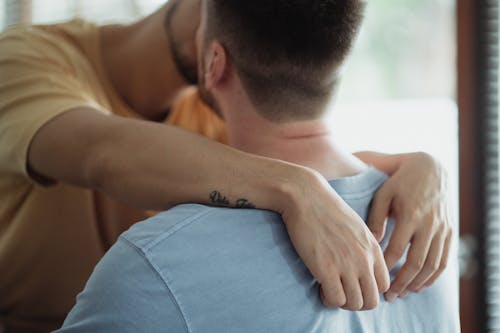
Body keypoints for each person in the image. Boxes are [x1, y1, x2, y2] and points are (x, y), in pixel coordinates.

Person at [0, 0, 452, 331]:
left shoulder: (219, 110)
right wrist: (298, 188)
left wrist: (422, 165)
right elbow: (102, 151)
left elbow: (291, 147)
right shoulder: (23, 60)